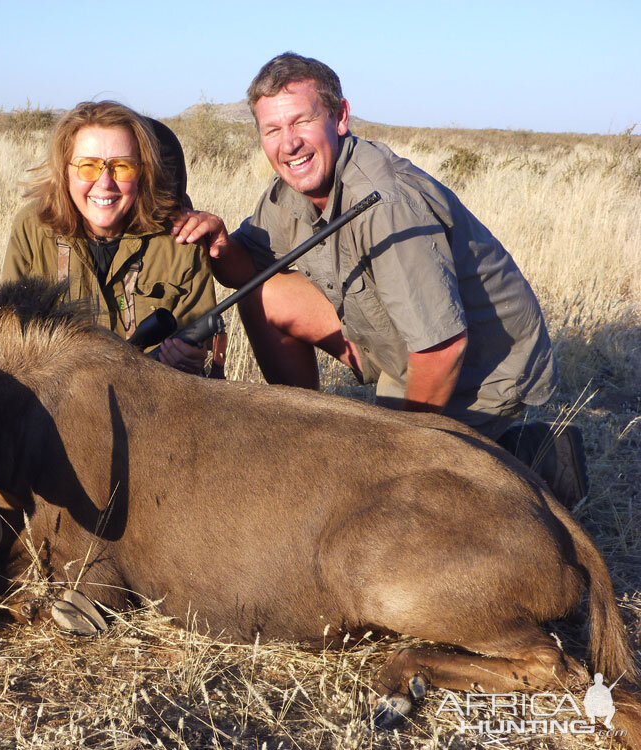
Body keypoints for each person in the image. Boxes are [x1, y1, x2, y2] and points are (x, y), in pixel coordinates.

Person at [172, 53, 586, 505]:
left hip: (482, 368)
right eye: (273, 130)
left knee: (387, 494)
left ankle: (535, 462)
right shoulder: (289, 191)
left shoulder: (386, 201)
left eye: (302, 122)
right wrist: (222, 244)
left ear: (340, 117)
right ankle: (301, 437)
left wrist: (397, 452)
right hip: (395, 338)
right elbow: (248, 273)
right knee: (264, 296)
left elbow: (443, 348)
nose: (288, 144)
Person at [3, 100, 221, 376]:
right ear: (65, 171)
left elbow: (197, 346)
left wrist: (190, 360)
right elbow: (9, 336)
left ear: (144, 171)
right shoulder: (32, 227)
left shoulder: (181, 239)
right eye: (88, 166)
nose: (105, 182)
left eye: (122, 166)